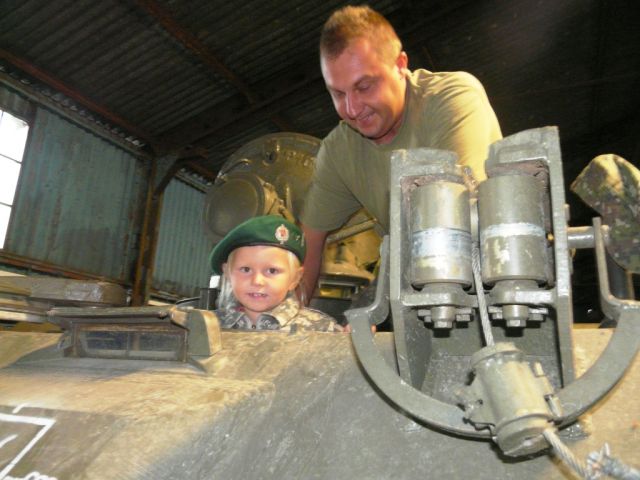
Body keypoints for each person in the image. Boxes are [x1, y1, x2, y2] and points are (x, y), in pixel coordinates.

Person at [300, 5, 502, 301]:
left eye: (364, 86)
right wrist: (287, 316)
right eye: (338, 94)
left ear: (400, 65)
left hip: (492, 282)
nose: (352, 109)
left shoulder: (452, 99)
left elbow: (457, 214)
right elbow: (309, 241)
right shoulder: (339, 151)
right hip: (415, 289)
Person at [209, 215, 345, 332]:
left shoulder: (321, 330)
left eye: (272, 271)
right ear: (227, 273)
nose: (257, 281)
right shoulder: (207, 328)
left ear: (295, 278)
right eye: (246, 269)